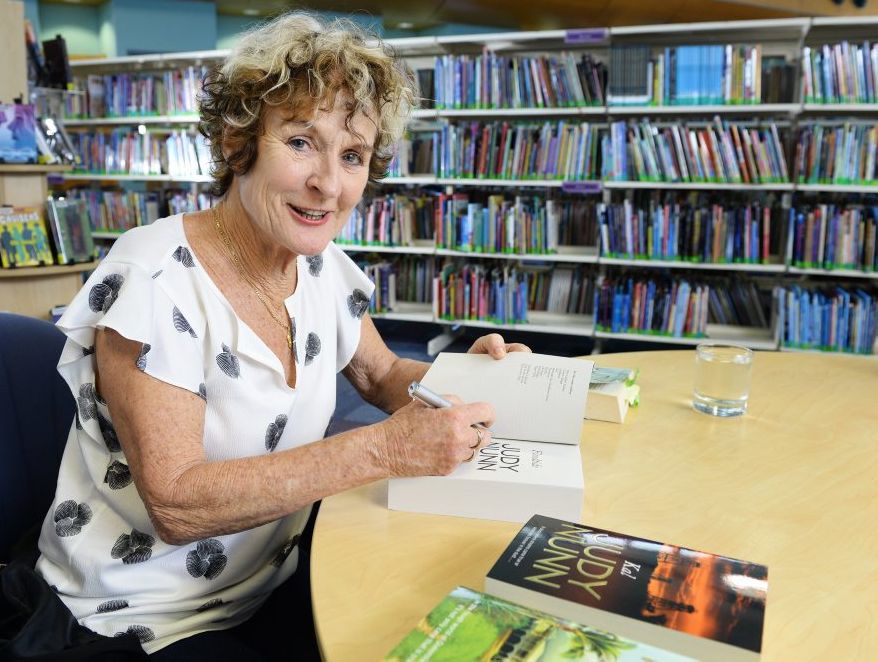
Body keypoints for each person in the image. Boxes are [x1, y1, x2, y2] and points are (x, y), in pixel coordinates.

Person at [34, 11, 529, 660]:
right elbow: (178, 504)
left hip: (273, 581)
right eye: (301, 142)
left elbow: (381, 376)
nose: (329, 183)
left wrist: (473, 379)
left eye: (352, 155)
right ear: (239, 142)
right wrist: (380, 453)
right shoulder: (152, 280)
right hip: (137, 622)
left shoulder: (321, 269)